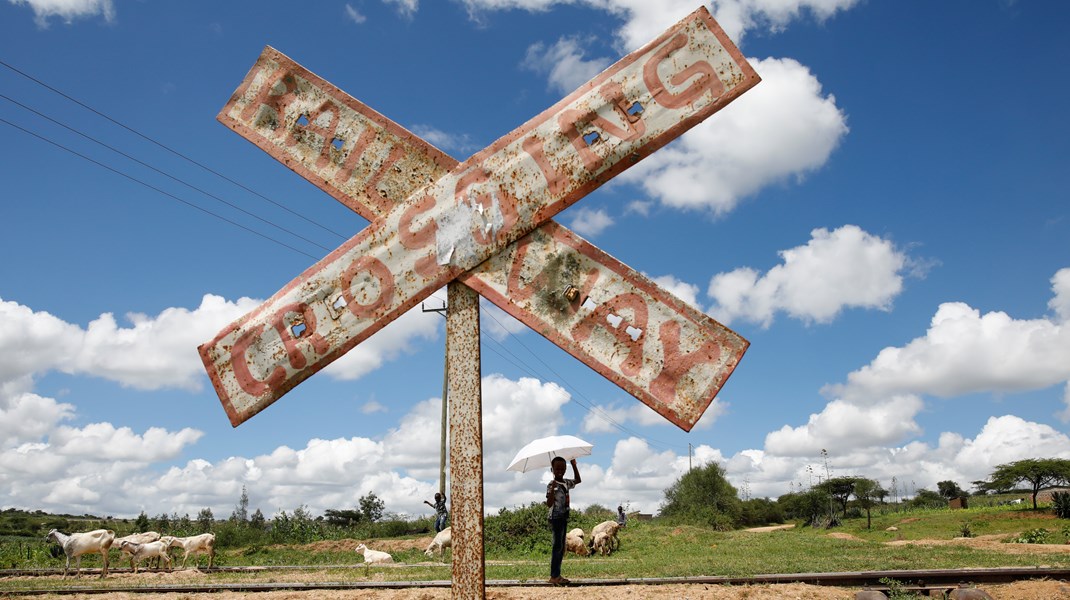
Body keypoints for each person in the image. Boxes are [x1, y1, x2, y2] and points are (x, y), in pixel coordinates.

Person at [545, 456, 581, 586]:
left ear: (565, 469)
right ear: (552, 470)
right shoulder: (551, 485)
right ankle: (554, 576)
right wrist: (553, 491)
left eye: (562, 468)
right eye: (557, 468)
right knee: (557, 547)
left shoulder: (566, 482)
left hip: (564, 517)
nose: (560, 470)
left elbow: (578, 480)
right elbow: (549, 504)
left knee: (561, 548)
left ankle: (557, 575)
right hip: (555, 518)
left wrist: (574, 465)